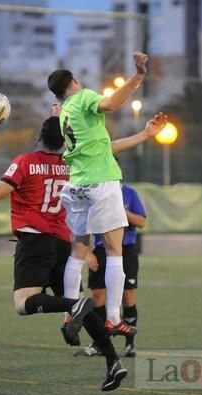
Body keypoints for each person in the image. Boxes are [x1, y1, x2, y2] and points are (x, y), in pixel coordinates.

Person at [0, 106, 167, 391]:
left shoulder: (25, 162)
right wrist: (145, 134)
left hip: (35, 242)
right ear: (65, 141)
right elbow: (109, 146)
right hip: (65, 243)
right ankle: (114, 362)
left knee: (24, 303)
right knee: (82, 308)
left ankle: (73, 305)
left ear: (39, 136)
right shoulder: (74, 161)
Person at [47, 51, 151, 336]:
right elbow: (112, 103)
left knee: (78, 251)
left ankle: (70, 314)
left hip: (76, 185)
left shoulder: (64, 111)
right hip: (100, 182)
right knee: (115, 250)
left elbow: (102, 145)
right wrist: (139, 76)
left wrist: (144, 135)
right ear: (75, 81)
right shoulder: (83, 98)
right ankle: (114, 318)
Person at [77, 176, 146, 358]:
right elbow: (82, 224)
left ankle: (130, 344)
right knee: (98, 296)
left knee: (127, 295)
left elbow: (141, 221)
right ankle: (99, 343)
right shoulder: (94, 193)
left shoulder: (129, 193)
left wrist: (122, 212)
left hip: (126, 250)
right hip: (101, 250)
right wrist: (88, 253)